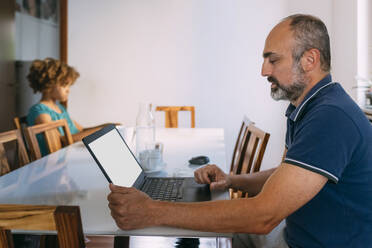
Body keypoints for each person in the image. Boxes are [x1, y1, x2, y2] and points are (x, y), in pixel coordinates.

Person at [107, 14, 372, 247]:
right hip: (296, 235)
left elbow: (263, 216)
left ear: (309, 60)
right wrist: (232, 180)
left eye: (273, 59)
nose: (263, 70)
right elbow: (287, 175)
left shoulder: (330, 118)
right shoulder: (310, 107)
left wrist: (152, 211)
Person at [27, 57, 116, 157]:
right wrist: (102, 130)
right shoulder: (40, 112)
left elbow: (81, 130)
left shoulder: (60, 108)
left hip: (70, 155)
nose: (68, 90)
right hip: (53, 164)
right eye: (65, 85)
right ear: (49, 85)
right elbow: (61, 141)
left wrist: (108, 126)